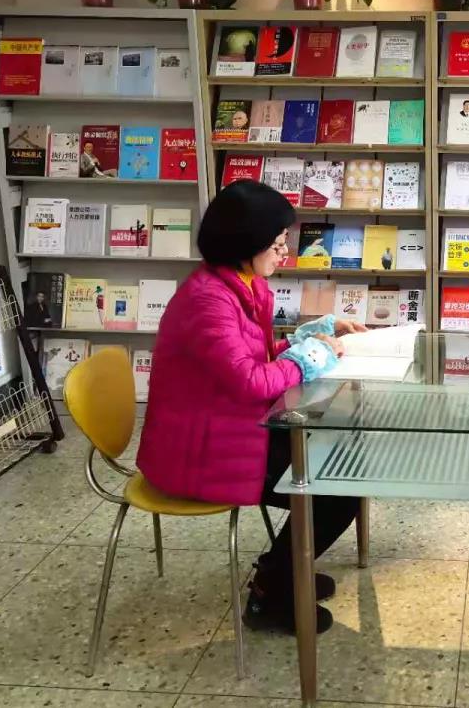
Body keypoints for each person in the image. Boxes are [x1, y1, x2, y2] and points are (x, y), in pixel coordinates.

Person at [136, 181, 368, 635]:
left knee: (341, 465)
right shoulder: (208, 301)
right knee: (336, 487)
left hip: (228, 431)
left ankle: (285, 571)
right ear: (246, 243)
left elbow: (250, 358)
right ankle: (272, 589)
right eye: (277, 243)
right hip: (200, 453)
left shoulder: (239, 285)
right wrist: (307, 357)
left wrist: (309, 339)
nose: (285, 252)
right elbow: (249, 381)